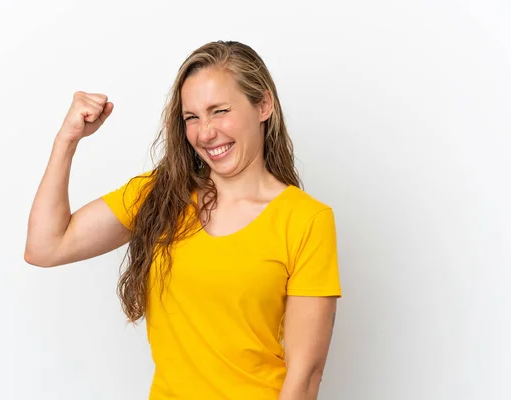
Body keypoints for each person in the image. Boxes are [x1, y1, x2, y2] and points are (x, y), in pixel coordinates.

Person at [25, 40, 342, 400]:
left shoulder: (306, 220)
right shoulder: (161, 196)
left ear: (263, 105)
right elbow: (46, 246)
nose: (205, 133)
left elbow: (305, 374)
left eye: (219, 110)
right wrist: (67, 140)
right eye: (192, 117)